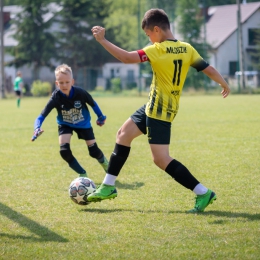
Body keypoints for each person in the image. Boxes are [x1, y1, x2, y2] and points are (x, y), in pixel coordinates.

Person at [88, 9, 230, 213]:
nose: (149, 39)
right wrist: (224, 83)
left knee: (161, 159)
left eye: (148, 35)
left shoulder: (158, 49)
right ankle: (108, 186)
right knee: (123, 135)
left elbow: (127, 58)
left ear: (156, 29)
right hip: (154, 106)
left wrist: (103, 40)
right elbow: (208, 69)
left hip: (159, 111)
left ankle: (203, 192)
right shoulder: (187, 49)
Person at [31, 64, 108, 177]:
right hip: (65, 124)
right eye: (61, 83)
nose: (64, 85)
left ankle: (107, 166)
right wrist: (36, 128)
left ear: (72, 81)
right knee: (64, 151)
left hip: (83, 124)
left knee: (94, 152)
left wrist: (100, 117)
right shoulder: (55, 97)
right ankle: (83, 175)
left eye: (67, 82)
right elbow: (41, 116)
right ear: (56, 83)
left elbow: (93, 104)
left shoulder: (81, 93)